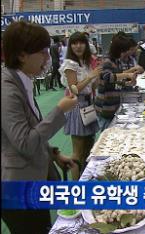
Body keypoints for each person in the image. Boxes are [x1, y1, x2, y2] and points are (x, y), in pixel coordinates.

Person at [1, 21, 77, 234]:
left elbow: (31, 129)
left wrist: (54, 154)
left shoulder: (23, 81)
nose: (47, 58)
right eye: (42, 52)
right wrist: (59, 110)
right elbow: (24, 142)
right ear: (22, 55)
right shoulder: (7, 90)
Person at [59, 32, 102, 180]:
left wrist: (97, 77)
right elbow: (74, 89)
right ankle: (75, 186)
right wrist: (91, 76)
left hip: (88, 104)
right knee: (78, 151)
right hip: (77, 106)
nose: (78, 46)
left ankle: (85, 179)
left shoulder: (85, 63)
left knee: (89, 146)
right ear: (70, 46)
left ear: (86, 44)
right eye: (74, 43)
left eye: (81, 43)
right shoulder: (70, 64)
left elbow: (92, 86)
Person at [95, 34, 137, 131]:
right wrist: (127, 75)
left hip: (114, 105)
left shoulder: (116, 61)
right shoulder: (107, 61)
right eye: (123, 51)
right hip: (106, 107)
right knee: (106, 133)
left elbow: (115, 81)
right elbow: (107, 78)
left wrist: (127, 83)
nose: (125, 54)